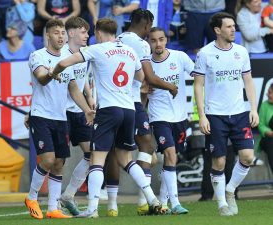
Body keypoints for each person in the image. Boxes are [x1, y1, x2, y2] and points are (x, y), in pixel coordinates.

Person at [51, 17, 166, 218]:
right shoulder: (130, 52)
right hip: (129, 110)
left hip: (108, 110)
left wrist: (55, 71)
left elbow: (65, 61)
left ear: (98, 32)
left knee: (96, 159)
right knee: (126, 159)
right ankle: (152, 199)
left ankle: (92, 208)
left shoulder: (97, 49)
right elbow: (140, 78)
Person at [24, 19, 95, 219]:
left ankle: (53, 208)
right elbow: (41, 78)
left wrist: (86, 109)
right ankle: (31, 197)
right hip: (41, 115)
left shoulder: (67, 58)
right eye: (56, 33)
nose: (61, 36)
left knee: (59, 163)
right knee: (48, 160)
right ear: (48, 35)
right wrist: (53, 72)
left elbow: (73, 88)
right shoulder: (37, 56)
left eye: (63, 33)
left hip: (60, 117)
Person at [193, 12, 259, 216]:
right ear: (217, 30)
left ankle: (230, 190)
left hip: (239, 113)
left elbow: (248, 81)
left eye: (234, 26)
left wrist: (253, 108)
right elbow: (198, 85)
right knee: (219, 161)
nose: (233, 30)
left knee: (247, 156)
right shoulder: (205, 53)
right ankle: (221, 203)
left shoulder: (241, 52)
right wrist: (202, 115)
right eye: (229, 26)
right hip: (215, 115)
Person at [114, 8, 178, 216]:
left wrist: (142, 83)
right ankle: (145, 201)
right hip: (131, 103)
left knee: (109, 154)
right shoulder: (140, 44)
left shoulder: (117, 39)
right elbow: (149, 76)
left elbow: (138, 75)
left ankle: (112, 205)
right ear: (146, 26)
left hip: (114, 101)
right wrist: (171, 87)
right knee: (146, 146)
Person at [147, 27, 193, 214]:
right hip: (158, 116)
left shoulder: (179, 57)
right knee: (171, 154)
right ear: (148, 42)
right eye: (153, 40)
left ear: (166, 40)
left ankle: (164, 201)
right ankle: (175, 203)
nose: (158, 44)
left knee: (170, 160)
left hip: (180, 116)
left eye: (161, 39)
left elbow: (197, 74)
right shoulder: (146, 64)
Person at [57, 16, 95, 216]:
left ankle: (68, 194)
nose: (87, 35)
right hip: (61, 112)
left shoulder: (85, 54)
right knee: (58, 160)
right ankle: (52, 202)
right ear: (71, 33)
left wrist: (89, 96)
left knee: (92, 153)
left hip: (79, 111)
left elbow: (83, 78)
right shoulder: (60, 55)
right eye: (83, 32)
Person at [259, 83, 273, 172]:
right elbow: (260, 125)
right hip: (268, 138)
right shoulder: (264, 105)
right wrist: (270, 133)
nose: (267, 94)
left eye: (270, 92)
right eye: (268, 92)